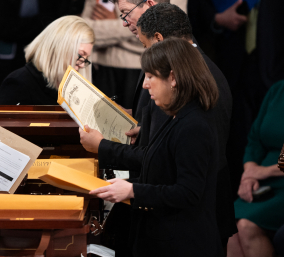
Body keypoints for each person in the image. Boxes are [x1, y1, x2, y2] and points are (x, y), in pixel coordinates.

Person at [86, 38, 222, 256]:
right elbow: (162, 173)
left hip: (181, 245)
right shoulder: (176, 116)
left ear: (174, 78)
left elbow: (187, 193)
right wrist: (121, 185)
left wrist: (131, 190)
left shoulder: (194, 125)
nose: (144, 84)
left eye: (150, 76)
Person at [80, 0, 187, 109]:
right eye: (123, 15)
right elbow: (85, 32)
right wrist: (140, 26)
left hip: (148, 70)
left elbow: (170, 30)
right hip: (102, 73)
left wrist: (109, 31)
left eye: (127, 14)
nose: (124, 23)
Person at [227, 80, 284, 257]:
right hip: (262, 182)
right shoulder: (278, 89)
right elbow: (255, 140)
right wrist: (250, 173)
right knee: (230, 229)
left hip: (282, 182)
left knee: (247, 226)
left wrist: (263, 172)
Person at [0, 15, 94, 105]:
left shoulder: (74, 88)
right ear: (60, 48)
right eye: (81, 55)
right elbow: (2, 124)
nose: (82, 65)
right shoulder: (18, 83)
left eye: (86, 59)